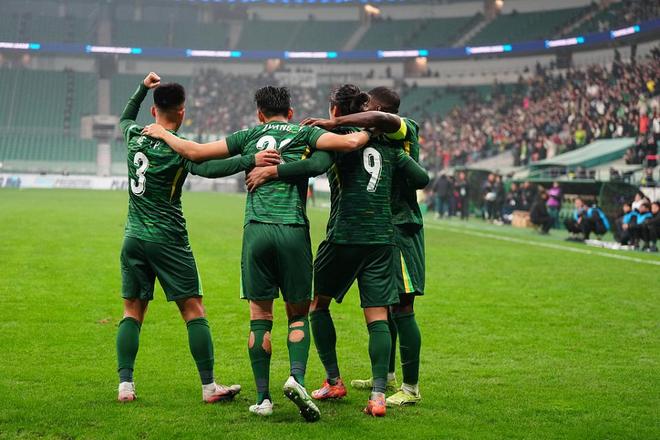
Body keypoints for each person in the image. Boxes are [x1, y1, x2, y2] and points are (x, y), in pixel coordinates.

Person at [142, 85, 373, 421]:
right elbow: (347, 145)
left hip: (256, 230)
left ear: (259, 114)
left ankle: (263, 399)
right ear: (290, 113)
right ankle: (296, 380)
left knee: (260, 315)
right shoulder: (304, 133)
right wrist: (369, 128)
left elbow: (196, 152)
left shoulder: (249, 135)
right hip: (292, 229)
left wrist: (163, 133)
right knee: (297, 314)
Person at [250, 84, 429, 417]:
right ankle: (380, 391)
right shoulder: (389, 145)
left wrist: (273, 168)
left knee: (322, 304)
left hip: (357, 235)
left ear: (335, 110)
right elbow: (421, 177)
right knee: (381, 312)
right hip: (382, 237)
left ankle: (344, 380)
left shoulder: (345, 137)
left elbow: (315, 165)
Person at [116, 72, 271, 404]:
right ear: (182, 112)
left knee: (132, 311)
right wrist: (250, 160)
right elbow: (209, 168)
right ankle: (209, 386)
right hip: (168, 239)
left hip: (133, 236)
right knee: (193, 309)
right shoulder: (180, 149)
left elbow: (125, 117)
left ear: (154, 110)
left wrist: (142, 89)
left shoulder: (134, 135)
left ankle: (125, 386)